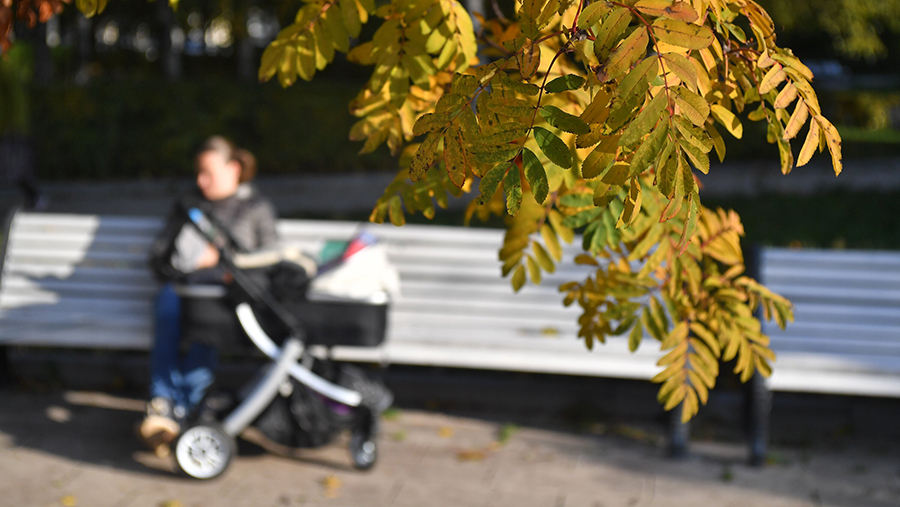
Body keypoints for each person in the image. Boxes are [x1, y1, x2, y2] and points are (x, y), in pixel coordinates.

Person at [140, 136, 278, 455]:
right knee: (170, 303)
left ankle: (183, 408)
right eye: (198, 173)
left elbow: (272, 259)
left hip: (229, 299)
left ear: (233, 168)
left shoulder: (255, 208)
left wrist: (226, 262)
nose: (201, 181)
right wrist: (184, 264)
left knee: (207, 315)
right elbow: (158, 257)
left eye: (208, 173)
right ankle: (163, 404)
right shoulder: (190, 205)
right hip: (184, 288)